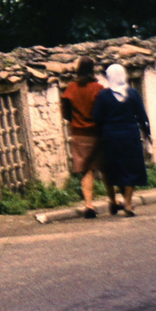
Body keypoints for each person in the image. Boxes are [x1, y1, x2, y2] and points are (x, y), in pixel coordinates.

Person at [92, 63, 151, 217]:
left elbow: (96, 117)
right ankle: (129, 203)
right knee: (131, 168)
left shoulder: (103, 95)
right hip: (130, 135)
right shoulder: (132, 93)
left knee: (116, 168)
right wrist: (147, 133)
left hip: (110, 137)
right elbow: (142, 115)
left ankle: (118, 199)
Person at [59, 56, 112, 218]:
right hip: (98, 133)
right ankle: (112, 200)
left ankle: (88, 204)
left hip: (79, 134)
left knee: (86, 171)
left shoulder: (71, 88)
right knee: (104, 169)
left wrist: (75, 119)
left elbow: (65, 112)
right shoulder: (98, 88)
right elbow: (105, 110)